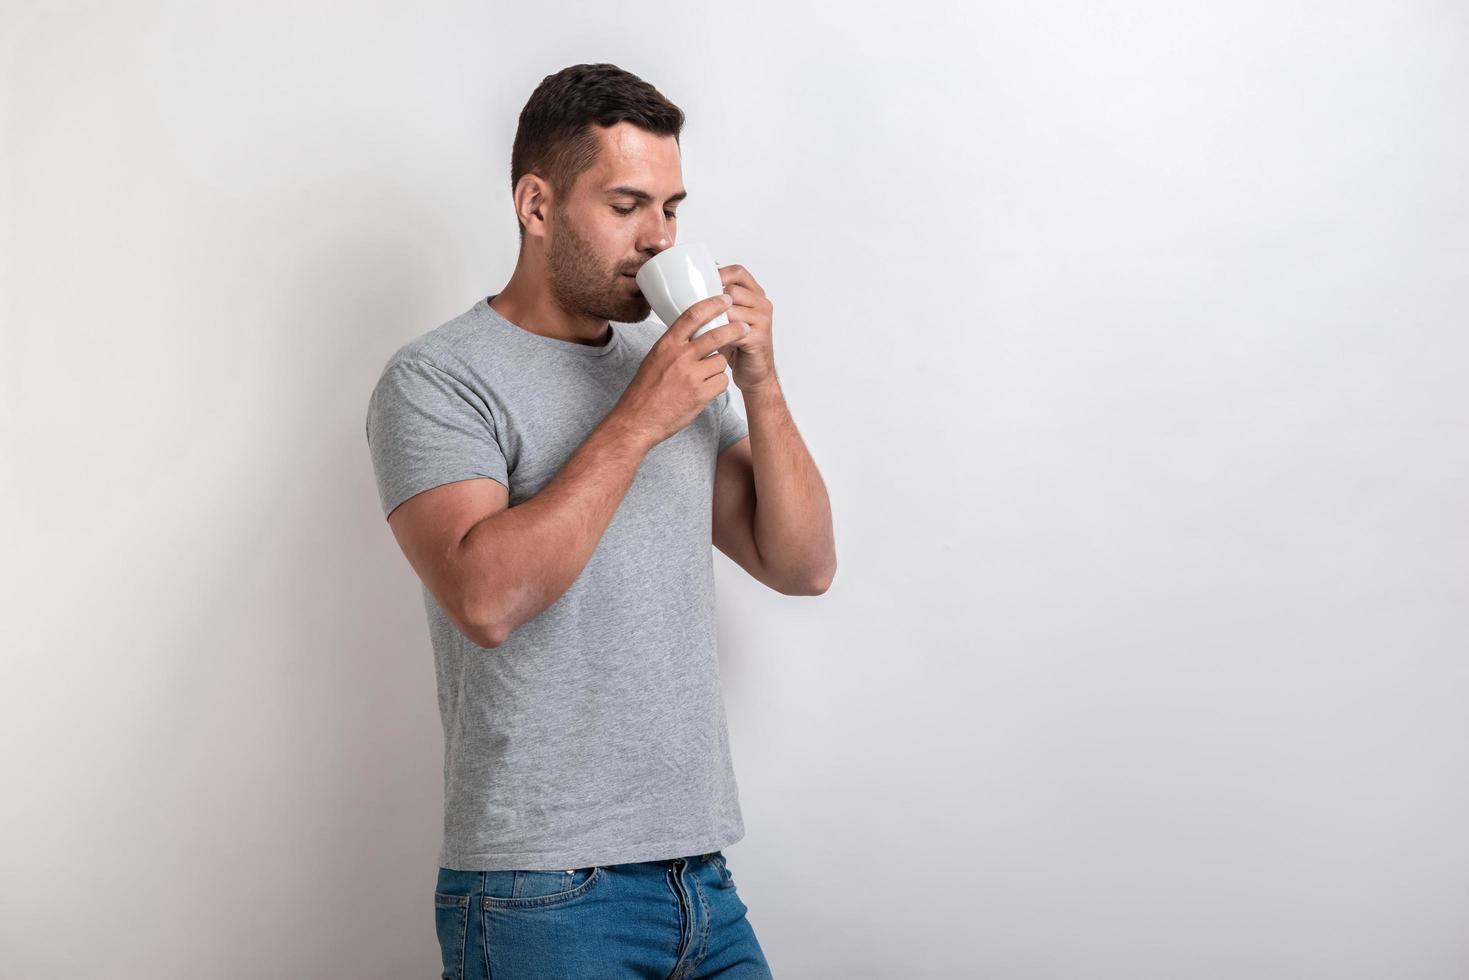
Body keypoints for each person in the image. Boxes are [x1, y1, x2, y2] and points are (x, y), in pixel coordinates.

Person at [364, 62, 836, 979]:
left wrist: (761, 383)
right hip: (540, 890)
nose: (658, 241)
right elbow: (486, 598)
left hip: (698, 871)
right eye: (626, 206)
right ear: (535, 206)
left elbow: (802, 564)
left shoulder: (667, 368)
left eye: (671, 209)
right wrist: (636, 421)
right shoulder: (436, 380)